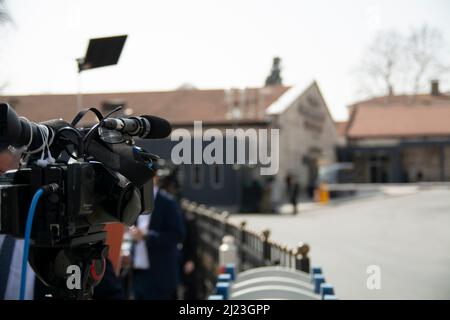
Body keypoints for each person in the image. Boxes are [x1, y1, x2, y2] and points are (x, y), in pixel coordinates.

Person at [130, 175, 185, 300]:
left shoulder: (168, 202)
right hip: (138, 274)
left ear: (154, 178)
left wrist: (146, 236)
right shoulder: (135, 200)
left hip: (160, 277)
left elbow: (178, 234)